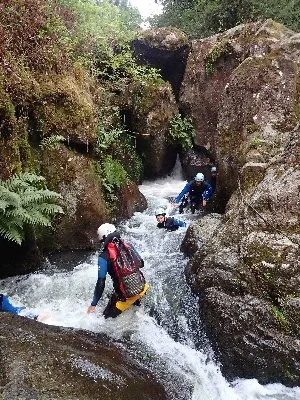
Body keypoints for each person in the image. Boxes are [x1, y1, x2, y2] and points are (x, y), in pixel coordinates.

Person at [87, 223, 148, 319]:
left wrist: (93, 304)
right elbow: (141, 263)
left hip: (125, 298)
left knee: (104, 320)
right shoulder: (128, 246)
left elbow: (101, 283)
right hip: (142, 288)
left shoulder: (103, 257)